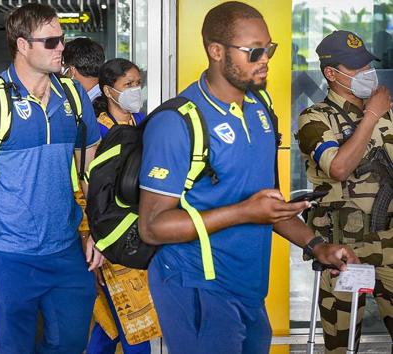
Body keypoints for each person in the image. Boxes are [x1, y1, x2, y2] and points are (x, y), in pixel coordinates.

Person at [136, 3, 358, 353]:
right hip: (197, 287)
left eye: (269, 49)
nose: (265, 59)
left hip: (249, 288)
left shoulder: (261, 108)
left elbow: (268, 206)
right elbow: (152, 227)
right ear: (216, 51)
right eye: (254, 51)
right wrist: (243, 213)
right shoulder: (178, 122)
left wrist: (318, 246)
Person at [0, 4, 103, 352]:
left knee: (70, 343)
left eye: (63, 40)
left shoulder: (73, 97)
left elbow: (93, 169)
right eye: (51, 41)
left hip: (65, 248)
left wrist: (99, 231)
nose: (62, 48)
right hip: (10, 253)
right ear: (22, 45)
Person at [297, 30, 393, 353]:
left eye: (367, 65)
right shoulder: (314, 118)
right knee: (341, 347)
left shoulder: (387, 114)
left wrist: (379, 113)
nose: (367, 74)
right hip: (343, 252)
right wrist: (371, 115)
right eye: (357, 68)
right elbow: (337, 168)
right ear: (331, 74)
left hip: (390, 247)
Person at [86, 58, 158, 354]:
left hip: (141, 230)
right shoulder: (97, 132)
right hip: (111, 235)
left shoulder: (143, 123)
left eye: (138, 83)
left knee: (113, 323)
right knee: (134, 324)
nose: (135, 90)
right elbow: (84, 187)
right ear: (108, 90)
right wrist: (91, 234)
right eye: (128, 85)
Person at [62, 37, 105, 102]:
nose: (62, 75)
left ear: (72, 70)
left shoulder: (95, 104)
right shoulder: (107, 97)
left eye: (64, 68)